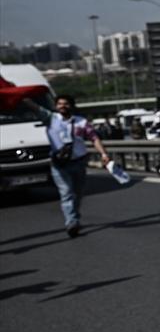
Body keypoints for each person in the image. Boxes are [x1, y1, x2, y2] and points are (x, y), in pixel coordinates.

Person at [23, 94, 110, 237]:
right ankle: (71, 223)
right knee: (67, 193)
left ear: (72, 106)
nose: (63, 106)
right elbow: (34, 107)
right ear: (56, 106)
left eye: (66, 104)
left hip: (78, 162)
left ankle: (74, 215)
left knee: (78, 193)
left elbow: (94, 138)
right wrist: (22, 95)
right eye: (60, 104)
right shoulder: (50, 118)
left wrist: (103, 154)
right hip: (59, 164)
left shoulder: (81, 122)